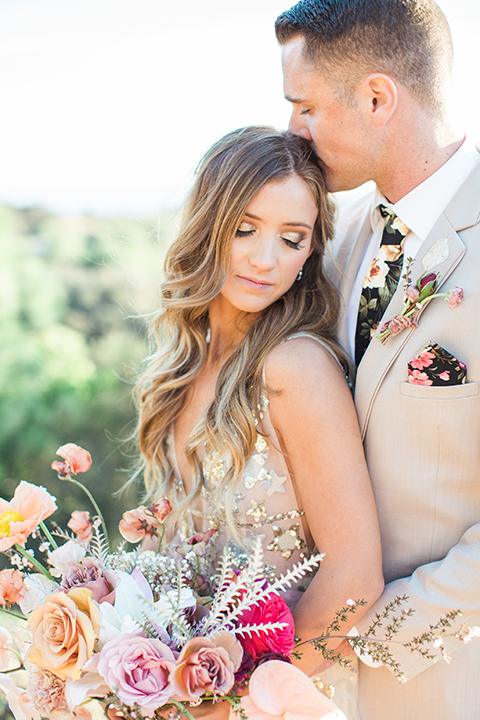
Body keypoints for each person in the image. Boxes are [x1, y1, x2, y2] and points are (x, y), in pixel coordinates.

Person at [134, 126, 383, 718]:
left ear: (310, 252)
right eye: (244, 229)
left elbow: (354, 576)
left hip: (277, 698)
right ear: (207, 224)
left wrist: (235, 697)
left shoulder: (295, 368)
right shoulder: (176, 368)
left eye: (292, 238)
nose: (266, 259)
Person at [276, 1, 480, 718]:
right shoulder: (327, 246)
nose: (292, 131)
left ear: (376, 97)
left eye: (304, 107)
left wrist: (372, 634)